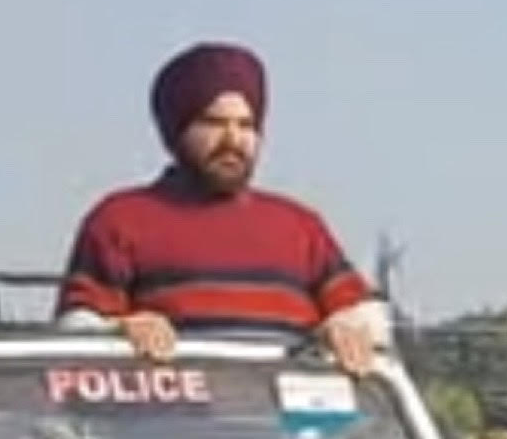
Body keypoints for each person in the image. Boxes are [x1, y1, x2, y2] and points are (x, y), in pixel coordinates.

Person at [58, 42, 382, 373]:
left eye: (246, 125)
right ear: (177, 129)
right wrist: (122, 331)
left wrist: (345, 329)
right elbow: (77, 333)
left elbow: (366, 318)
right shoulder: (119, 221)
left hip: (291, 422)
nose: (232, 139)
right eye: (214, 123)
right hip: (167, 422)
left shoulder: (301, 227)